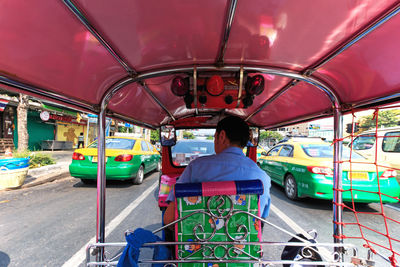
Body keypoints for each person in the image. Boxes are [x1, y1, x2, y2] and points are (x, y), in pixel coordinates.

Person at [163, 115, 271, 225]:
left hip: (196, 240)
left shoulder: (196, 167)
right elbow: (260, 221)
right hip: (242, 241)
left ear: (222, 136)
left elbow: (169, 219)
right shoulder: (263, 178)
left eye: (215, 137)